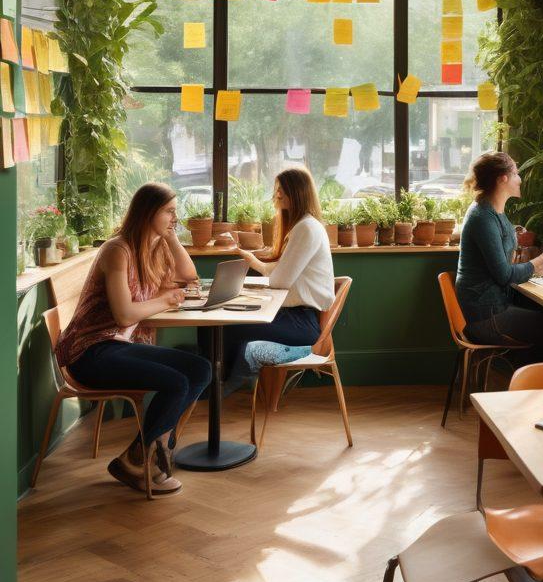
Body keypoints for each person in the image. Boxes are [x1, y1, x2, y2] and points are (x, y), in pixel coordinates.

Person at [56, 183, 212, 495]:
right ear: (148, 212)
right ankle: (147, 459)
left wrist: (169, 235)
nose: (175, 218)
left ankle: (141, 457)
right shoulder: (118, 250)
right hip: (90, 351)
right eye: (169, 212)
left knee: (201, 370)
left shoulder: (151, 249)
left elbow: (189, 275)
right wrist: (166, 300)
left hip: (119, 347)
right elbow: (125, 315)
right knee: (177, 383)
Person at [455, 151, 543, 358]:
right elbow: (503, 274)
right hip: (486, 315)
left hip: (491, 307)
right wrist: (534, 265)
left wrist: (538, 267)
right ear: (503, 179)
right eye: (516, 174)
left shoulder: (493, 211)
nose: (520, 179)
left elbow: (502, 265)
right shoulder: (483, 217)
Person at [223, 166, 335, 376]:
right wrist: (252, 260)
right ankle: (225, 383)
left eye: (283, 189)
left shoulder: (306, 228)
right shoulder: (305, 225)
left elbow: (280, 282)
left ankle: (220, 386)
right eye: (277, 189)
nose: (277, 193)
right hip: (297, 317)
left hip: (301, 324)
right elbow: (282, 273)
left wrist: (252, 291)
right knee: (226, 324)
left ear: (299, 193)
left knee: (223, 327)